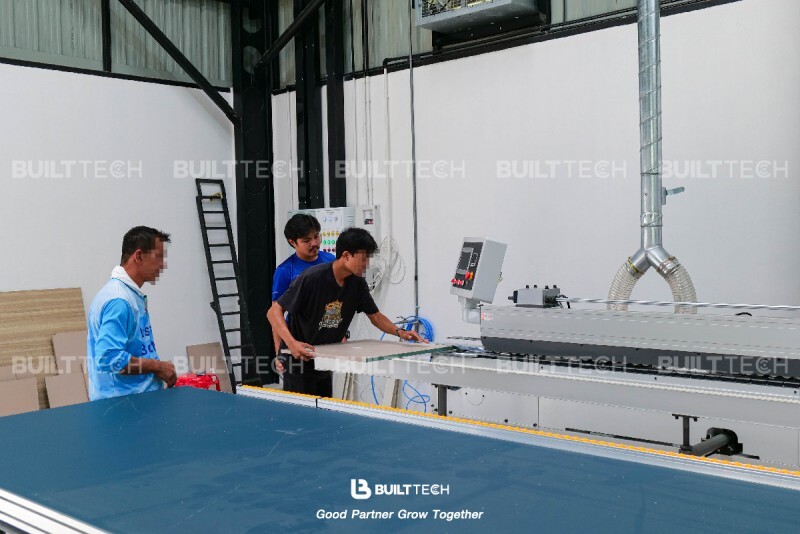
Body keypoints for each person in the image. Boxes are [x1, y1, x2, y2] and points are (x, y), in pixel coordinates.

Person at [267, 227, 426, 396]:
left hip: (324, 359)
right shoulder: (312, 278)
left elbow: (375, 316)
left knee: (322, 408)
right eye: (363, 259)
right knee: (302, 411)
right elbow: (273, 312)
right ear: (346, 255)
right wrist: (292, 343)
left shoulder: (357, 284)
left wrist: (400, 332)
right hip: (298, 359)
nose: (367, 264)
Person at [86, 226, 177, 401]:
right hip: (124, 404)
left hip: (137, 401)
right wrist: (157, 366)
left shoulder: (128, 295)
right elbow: (109, 358)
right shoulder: (119, 301)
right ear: (139, 256)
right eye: (158, 257)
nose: (163, 264)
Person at [271, 213, 335, 353]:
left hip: (329, 339)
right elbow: (276, 315)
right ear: (292, 242)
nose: (314, 243)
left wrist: (342, 334)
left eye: (316, 236)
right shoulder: (285, 271)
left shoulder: (331, 261)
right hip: (299, 341)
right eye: (307, 240)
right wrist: (279, 352)